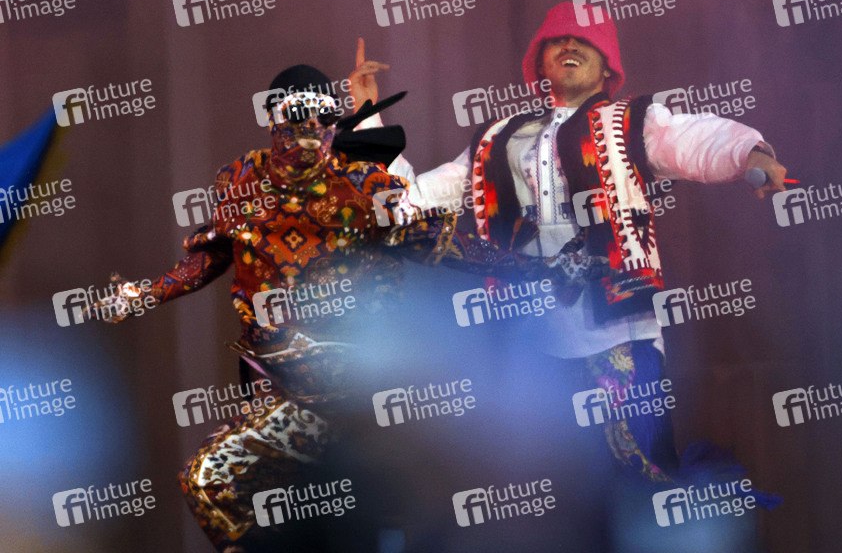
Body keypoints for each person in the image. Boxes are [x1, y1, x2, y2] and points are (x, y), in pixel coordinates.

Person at [88, 61, 600, 552]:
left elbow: (441, 243)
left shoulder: (363, 187)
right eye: (298, 118)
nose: (313, 131)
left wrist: (541, 268)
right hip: (275, 385)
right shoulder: (240, 181)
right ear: (272, 120)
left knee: (226, 484)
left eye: (325, 119)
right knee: (257, 504)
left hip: (351, 392)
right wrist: (144, 294)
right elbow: (213, 255)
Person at [373, 2, 789, 484]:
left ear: (608, 66)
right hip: (529, 343)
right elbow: (412, 201)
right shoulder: (495, 139)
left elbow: (694, 138)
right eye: (557, 39)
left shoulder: (632, 122)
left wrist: (750, 153)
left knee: (639, 485)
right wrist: (369, 124)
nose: (569, 44)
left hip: (618, 335)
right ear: (539, 62)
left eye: (583, 40)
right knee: (546, 493)